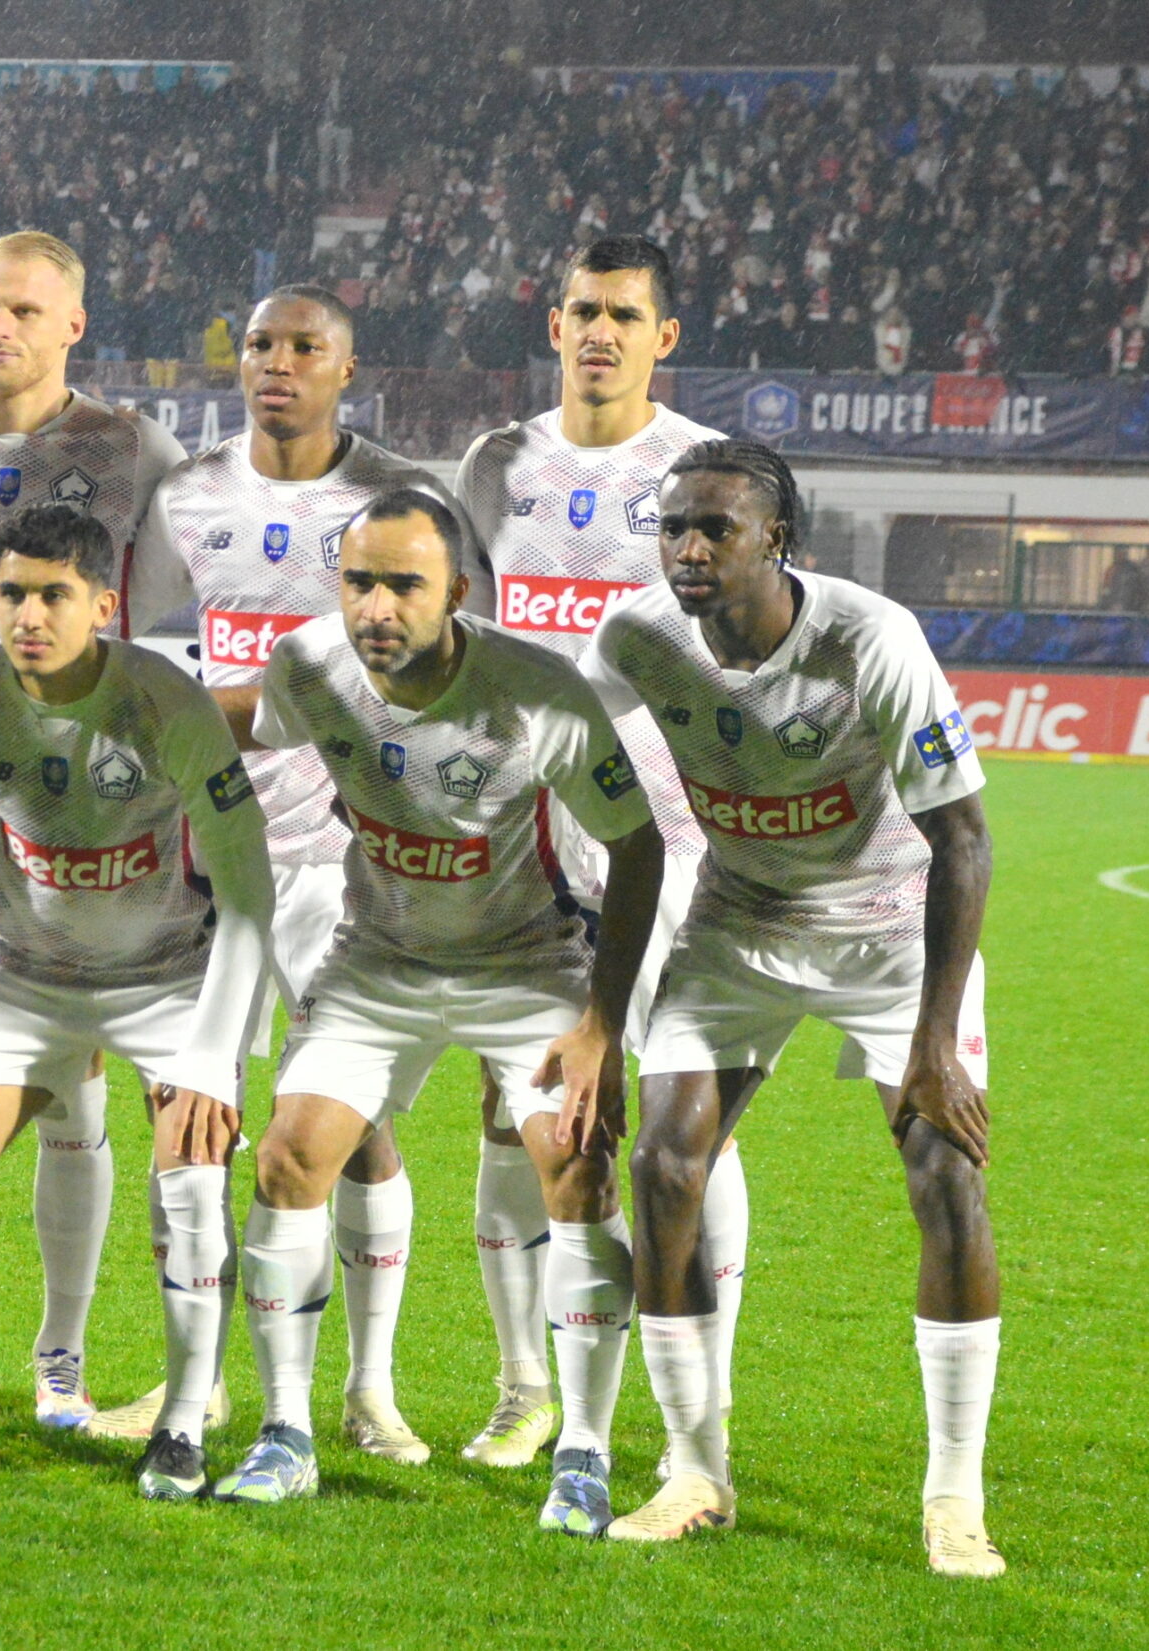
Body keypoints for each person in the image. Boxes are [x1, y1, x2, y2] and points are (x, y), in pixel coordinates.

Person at [584, 440, 1005, 1580]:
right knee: (663, 1167)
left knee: (945, 1175)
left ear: (777, 538)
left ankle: (954, 1498)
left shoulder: (870, 639)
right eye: (672, 527)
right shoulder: (634, 638)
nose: (687, 548)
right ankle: (694, 1471)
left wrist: (933, 1041)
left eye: (714, 528)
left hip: (889, 929)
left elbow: (964, 838)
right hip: (738, 920)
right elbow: (562, 752)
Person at [211, 486, 661, 1512]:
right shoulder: (309, 665)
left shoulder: (536, 692)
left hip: (525, 965)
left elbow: (637, 844)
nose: (376, 607)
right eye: (358, 582)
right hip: (379, 962)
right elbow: (246, 722)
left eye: (404, 585)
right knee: (288, 1156)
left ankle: (583, 1452)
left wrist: (599, 1023)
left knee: (578, 1168)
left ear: (456, 592)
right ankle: (286, 1433)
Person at [120, 282, 461, 1461]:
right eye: (260, 342)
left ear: (346, 368)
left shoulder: (397, 501)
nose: (276, 362)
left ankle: (369, 1388)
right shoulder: (188, 493)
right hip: (206, 855)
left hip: (341, 865)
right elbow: (133, 644)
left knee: (347, 1128)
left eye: (304, 346)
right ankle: (196, 1384)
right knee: (183, 1114)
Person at [0, 229, 188, 1433]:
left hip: (78, 817)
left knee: (73, 1085)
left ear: (73, 325)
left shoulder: (130, 451)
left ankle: (60, 1357)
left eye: (21, 309)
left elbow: (163, 629)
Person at [0, 504, 274, 1497]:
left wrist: (211, 1057)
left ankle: (182, 1427)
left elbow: (247, 889)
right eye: (11, 593)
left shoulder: (168, 704)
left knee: (194, 1182)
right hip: (27, 980)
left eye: (53, 595)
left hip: (165, 981)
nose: (28, 615)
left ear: (104, 605)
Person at [453, 235, 745, 1475]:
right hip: (526, 842)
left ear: (662, 337)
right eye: (582, 310)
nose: (599, 333)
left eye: (624, 315)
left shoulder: (705, 470)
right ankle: (524, 1385)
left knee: (686, 1114)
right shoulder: (494, 464)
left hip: (668, 843)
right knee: (513, 1103)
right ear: (553, 322)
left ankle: (697, 1409)